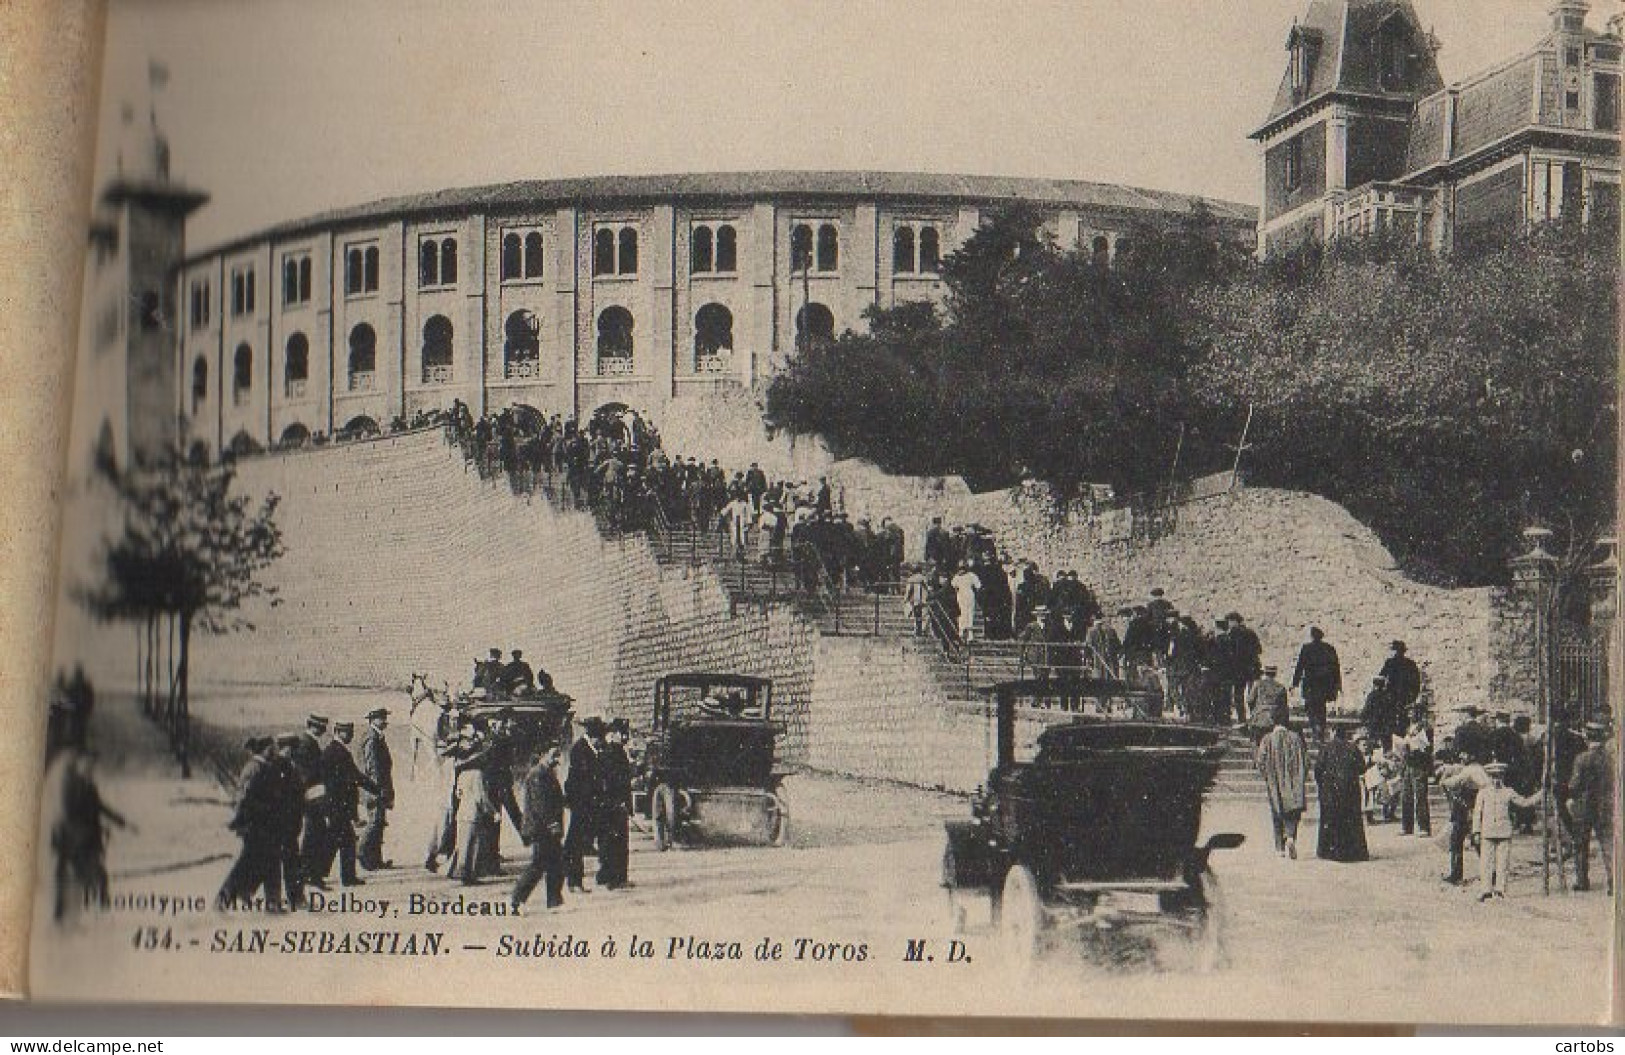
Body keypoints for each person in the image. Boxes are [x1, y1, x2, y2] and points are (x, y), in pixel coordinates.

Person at [48, 748, 131, 921]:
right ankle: (63, 911)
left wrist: (121, 821)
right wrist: (93, 824)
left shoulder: (88, 785)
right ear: (79, 765)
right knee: (74, 874)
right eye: (87, 765)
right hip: (72, 838)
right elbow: (70, 811)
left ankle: (97, 909)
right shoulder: (69, 785)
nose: (91, 769)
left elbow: (99, 806)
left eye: (92, 766)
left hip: (84, 839)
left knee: (93, 875)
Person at [219, 738, 284, 908]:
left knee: (271, 862)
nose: (275, 751)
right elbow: (243, 798)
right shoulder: (254, 768)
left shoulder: (263, 767)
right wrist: (241, 821)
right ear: (264, 749)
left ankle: (273, 903)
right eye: (272, 748)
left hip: (265, 825)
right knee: (248, 863)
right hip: (255, 825)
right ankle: (223, 899)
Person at [316, 721, 378, 888]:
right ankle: (320, 874)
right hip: (338, 805)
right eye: (347, 732)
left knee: (340, 841)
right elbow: (354, 776)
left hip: (337, 804)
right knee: (340, 841)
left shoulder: (336, 750)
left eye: (351, 731)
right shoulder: (337, 752)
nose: (351, 735)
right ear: (337, 732)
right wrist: (376, 789)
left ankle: (333, 875)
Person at [1472, 761, 1542, 900]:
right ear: (1489, 777)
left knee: (1503, 862)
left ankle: (1501, 889)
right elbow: (1477, 813)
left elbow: (1524, 802)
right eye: (1493, 777)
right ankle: (1486, 889)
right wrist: (1476, 832)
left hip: (1504, 831)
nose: (1496, 780)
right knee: (1486, 862)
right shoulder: (1483, 793)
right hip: (1487, 831)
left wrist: (1541, 793)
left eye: (1499, 776)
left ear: (1503, 777)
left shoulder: (1508, 792)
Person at [511, 744, 567, 911]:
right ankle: (516, 899)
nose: (556, 759)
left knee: (555, 863)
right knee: (538, 864)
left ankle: (554, 900)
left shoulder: (546, 773)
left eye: (558, 755)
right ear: (542, 755)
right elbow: (541, 805)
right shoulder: (538, 774)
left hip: (546, 828)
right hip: (541, 828)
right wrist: (552, 824)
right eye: (553, 755)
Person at [1567, 721, 1615, 895]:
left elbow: (1574, 784)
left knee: (1580, 844)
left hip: (1584, 805)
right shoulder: (1611, 758)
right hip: (1606, 805)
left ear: (1587, 737)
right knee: (1608, 844)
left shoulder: (1581, 758)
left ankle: (1582, 881)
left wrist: (1570, 796)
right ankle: (1613, 881)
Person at [1255, 709, 1308, 859]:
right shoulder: (1296, 738)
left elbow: (1261, 761)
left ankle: (1279, 848)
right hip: (1294, 781)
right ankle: (1290, 836)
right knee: (1293, 811)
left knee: (1276, 812)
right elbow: (1306, 759)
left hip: (1275, 781)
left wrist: (1267, 776)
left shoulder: (1267, 739)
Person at [1314, 723, 1369, 862]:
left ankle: (1329, 851)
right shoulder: (1353, 748)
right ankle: (1354, 852)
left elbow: (1318, 769)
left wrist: (1322, 785)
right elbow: (1362, 768)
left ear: (1333, 732)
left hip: (1331, 791)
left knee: (1330, 820)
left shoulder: (1326, 748)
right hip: (1350, 790)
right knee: (1352, 821)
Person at [1438, 744, 1491, 885]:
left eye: (1464, 753)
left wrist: (1443, 780)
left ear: (1472, 755)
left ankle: (1456, 874)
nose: (1461, 756)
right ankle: (1490, 872)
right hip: (1478, 806)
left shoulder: (1470, 770)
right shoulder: (1479, 768)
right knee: (1477, 841)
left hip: (1469, 808)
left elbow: (1454, 781)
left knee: (1457, 840)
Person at [564, 717, 605, 892]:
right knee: (575, 843)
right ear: (594, 736)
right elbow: (578, 780)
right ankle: (574, 882)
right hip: (581, 803)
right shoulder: (580, 750)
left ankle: (575, 881)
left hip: (589, 803)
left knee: (578, 842)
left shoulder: (591, 749)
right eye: (600, 738)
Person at [595, 718, 634, 890]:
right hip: (615, 804)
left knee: (608, 840)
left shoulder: (611, 751)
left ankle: (605, 875)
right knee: (617, 841)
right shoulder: (613, 753)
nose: (625, 736)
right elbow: (615, 781)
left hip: (611, 804)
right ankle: (616, 879)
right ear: (614, 734)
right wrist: (621, 802)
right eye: (622, 733)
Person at [357, 707, 394, 871]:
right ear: (372, 720)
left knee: (379, 823)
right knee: (374, 822)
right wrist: (378, 790)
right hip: (374, 789)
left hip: (378, 788)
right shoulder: (372, 739)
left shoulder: (376, 736)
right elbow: (372, 768)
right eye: (382, 718)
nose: (385, 720)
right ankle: (362, 852)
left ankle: (376, 860)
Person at [1291, 627, 1341, 740]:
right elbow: (1336, 668)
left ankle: (1315, 727)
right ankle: (1321, 729)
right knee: (1321, 707)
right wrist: (1337, 685)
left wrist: (1295, 683)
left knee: (1310, 707)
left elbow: (1300, 666)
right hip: (1324, 686)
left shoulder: (1307, 648)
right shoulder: (1329, 648)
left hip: (1310, 684)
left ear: (1312, 636)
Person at [1398, 719, 1433, 837]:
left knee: (1420, 797)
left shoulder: (1425, 728)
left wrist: (1418, 748)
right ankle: (1407, 826)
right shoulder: (1408, 728)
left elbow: (1428, 748)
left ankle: (1424, 827)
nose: (1411, 714)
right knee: (1405, 796)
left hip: (1419, 765)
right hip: (1408, 765)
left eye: (1414, 711)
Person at [1378, 641, 1422, 728]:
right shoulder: (1391, 663)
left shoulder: (1408, 664)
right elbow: (1381, 678)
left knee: (1400, 720)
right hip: (1395, 697)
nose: (1396, 653)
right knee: (1395, 719)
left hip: (1400, 697)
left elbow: (1416, 682)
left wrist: (1412, 698)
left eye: (1397, 651)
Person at [1245, 665, 1289, 743]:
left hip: (1259, 720)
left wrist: (1254, 712)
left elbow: (1250, 701)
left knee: (1258, 743)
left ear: (1265, 673)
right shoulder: (1281, 687)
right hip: (1275, 720)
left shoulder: (1258, 684)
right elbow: (1284, 706)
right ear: (1275, 674)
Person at [951, 564, 981, 644]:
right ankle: (961, 633)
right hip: (961, 596)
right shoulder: (956, 577)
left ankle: (970, 635)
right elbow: (953, 586)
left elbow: (978, 585)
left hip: (969, 595)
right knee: (961, 614)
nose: (961, 571)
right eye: (960, 569)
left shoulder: (971, 575)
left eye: (963, 569)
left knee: (970, 613)